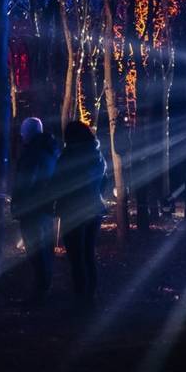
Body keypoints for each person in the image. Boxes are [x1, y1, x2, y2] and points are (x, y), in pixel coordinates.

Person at [50, 120, 107, 310]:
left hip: (73, 211)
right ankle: (90, 296)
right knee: (89, 254)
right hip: (94, 208)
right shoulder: (97, 155)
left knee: (76, 256)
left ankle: (80, 297)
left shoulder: (68, 156)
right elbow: (103, 182)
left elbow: (58, 183)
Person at [12, 116, 59, 303]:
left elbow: (26, 182)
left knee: (35, 250)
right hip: (46, 207)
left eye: (23, 132)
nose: (21, 135)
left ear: (28, 133)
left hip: (32, 209)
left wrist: (19, 204)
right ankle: (44, 287)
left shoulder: (32, 153)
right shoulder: (49, 151)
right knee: (44, 249)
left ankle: (40, 291)